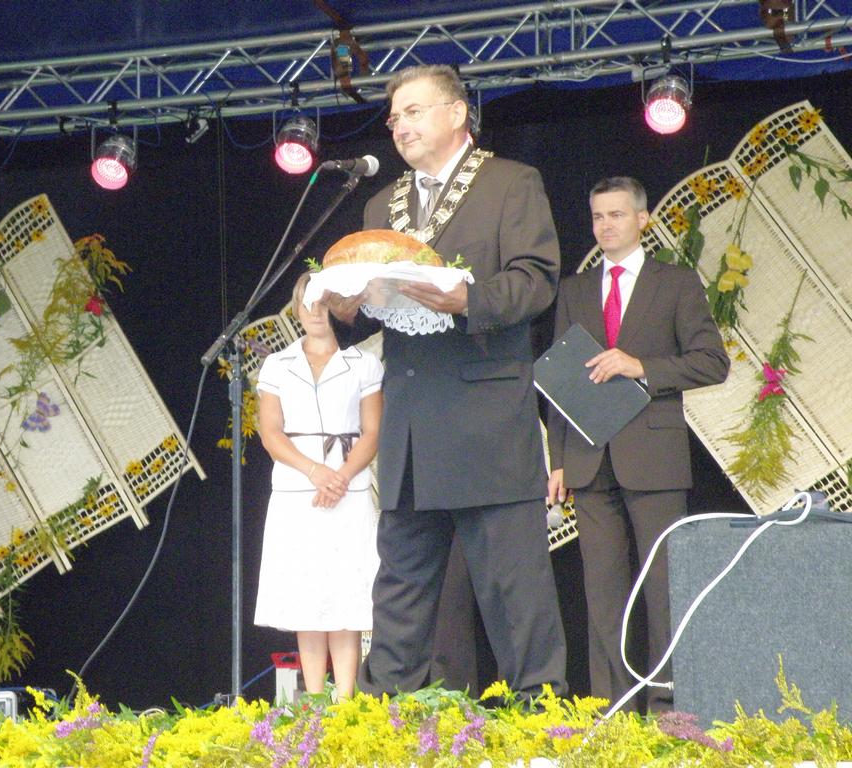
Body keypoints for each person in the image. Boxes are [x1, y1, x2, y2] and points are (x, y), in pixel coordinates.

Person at [326, 64, 567, 699]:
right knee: (400, 590)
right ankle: (383, 717)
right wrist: (345, 309)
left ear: (457, 113)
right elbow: (376, 309)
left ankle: (542, 719)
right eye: (393, 117)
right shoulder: (381, 205)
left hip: (486, 419)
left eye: (413, 111)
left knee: (514, 591)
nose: (400, 126)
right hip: (411, 421)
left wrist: (468, 298)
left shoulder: (510, 183)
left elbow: (536, 280)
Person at [546, 176, 729, 712]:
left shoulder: (676, 283)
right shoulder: (574, 290)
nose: (605, 226)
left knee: (663, 586)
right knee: (603, 591)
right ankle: (612, 711)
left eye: (617, 214)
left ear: (643, 220)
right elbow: (560, 381)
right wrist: (557, 460)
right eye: (598, 216)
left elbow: (712, 362)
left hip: (653, 456)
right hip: (587, 457)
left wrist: (640, 366)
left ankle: (667, 707)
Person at [253, 271, 383, 699]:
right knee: (307, 597)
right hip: (298, 491)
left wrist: (340, 477)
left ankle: (345, 702)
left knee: (347, 596)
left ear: (338, 310)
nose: (315, 313)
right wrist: (314, 472)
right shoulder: (277, 365)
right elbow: (271, 433)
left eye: (324, 304)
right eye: (308, 303)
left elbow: (372, 431)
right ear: (296, 308)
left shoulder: (363, 363)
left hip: (349, 490)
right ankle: (313, 700)